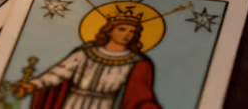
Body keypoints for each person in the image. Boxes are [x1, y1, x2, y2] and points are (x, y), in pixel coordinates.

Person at [13, 14, 161, 109]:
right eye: (122, 29)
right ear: (110, 30)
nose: (127, 34)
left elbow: (140, 95)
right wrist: (33, 85)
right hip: (74, 103)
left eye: (132, 31)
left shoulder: (136, 63)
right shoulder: (85, 53)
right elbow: (58, 73)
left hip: (105, 105)